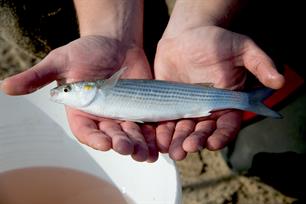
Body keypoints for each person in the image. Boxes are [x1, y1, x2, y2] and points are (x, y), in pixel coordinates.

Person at [0, 0, 284, 162]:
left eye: (67, 88)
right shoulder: (98, 93)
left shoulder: (101, 90)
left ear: (90, 87)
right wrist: (110, 29)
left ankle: (253, 104)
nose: (61, 91)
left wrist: (203, 17)